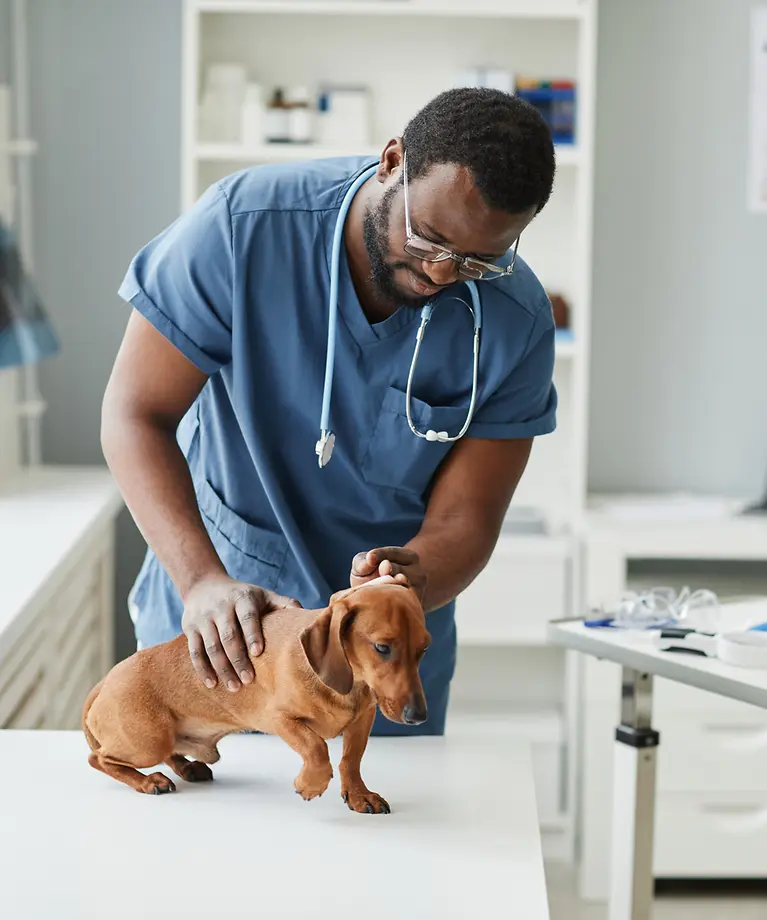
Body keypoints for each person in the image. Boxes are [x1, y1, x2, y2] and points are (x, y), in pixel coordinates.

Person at [102, 87, 558, 737]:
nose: (439, 272)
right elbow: (134, 413)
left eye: (477, 261)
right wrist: (200, 579)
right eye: (428, 237)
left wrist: (411, 578)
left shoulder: (513, 321)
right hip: (226, 624)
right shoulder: (243, 228)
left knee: (374, 825)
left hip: (383, 651)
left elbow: (467, 516)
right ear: (392, 162)